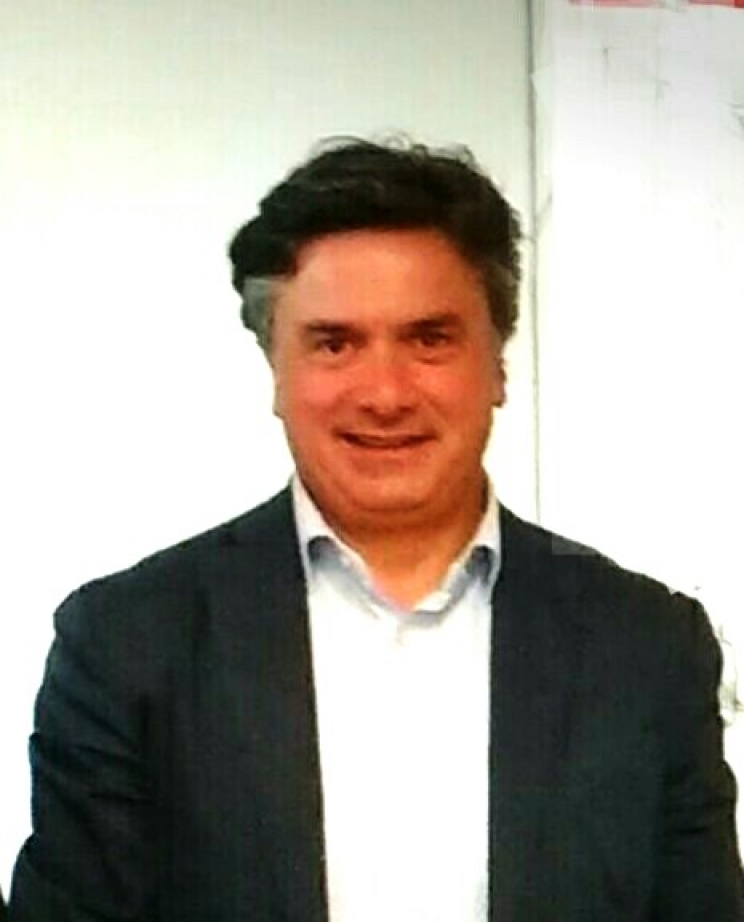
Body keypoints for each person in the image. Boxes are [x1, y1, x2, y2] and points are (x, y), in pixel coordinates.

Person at [9, 138, 743, 921]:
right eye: (334, 343)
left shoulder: (647, 648)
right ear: (276, 371)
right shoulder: (127, 642)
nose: (385, 394)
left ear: (497, 366)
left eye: (429, 339)